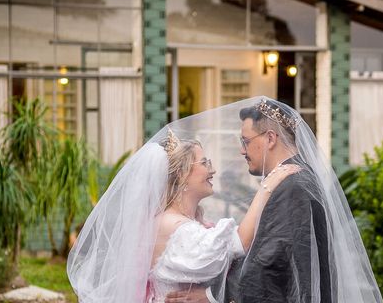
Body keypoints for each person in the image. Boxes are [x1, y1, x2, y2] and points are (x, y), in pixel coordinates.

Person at [165, 97, 383, 303]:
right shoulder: (297, 178)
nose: (242, 150)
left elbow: (267, 264)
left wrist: (212, 294)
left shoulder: (292, 186)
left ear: (270, 138)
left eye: (245, 141)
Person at [67, 122, 300, 303]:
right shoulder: (170, 225)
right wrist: (268, 185)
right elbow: (238, 243)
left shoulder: (188, 223)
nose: (213, 169)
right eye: (205, 163)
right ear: (181, 176)